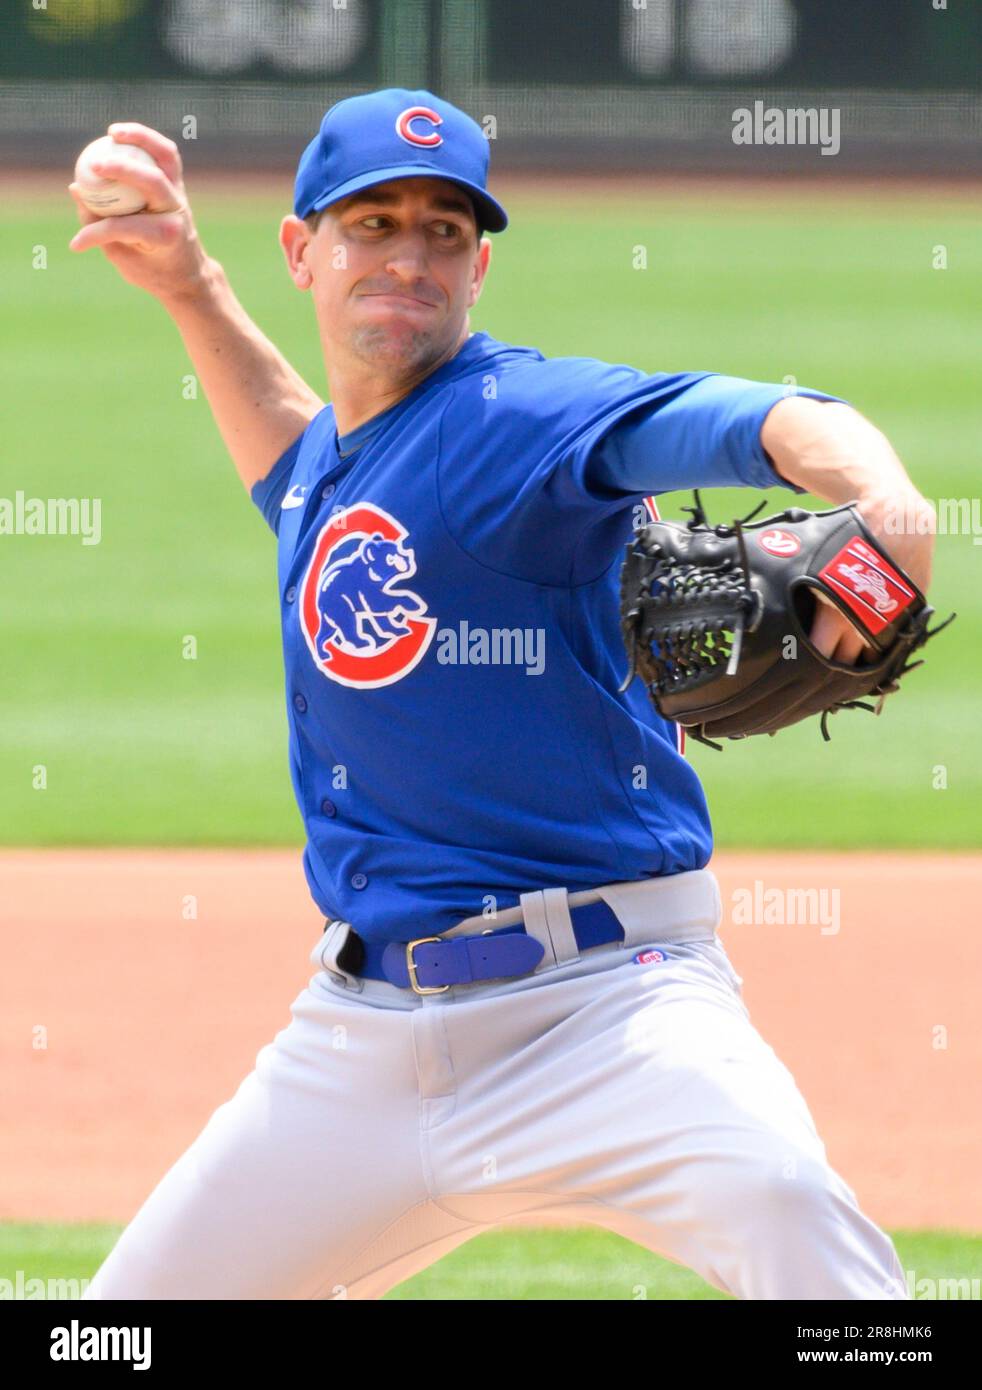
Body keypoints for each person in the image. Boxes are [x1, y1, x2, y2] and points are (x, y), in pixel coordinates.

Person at [73, 88, 929, 1301]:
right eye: (374, 224)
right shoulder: (343, 459)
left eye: (444, 231)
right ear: (300, 249)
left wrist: (886, 511)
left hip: (613, 1015)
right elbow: (292, 466)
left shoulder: (519, 417)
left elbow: (783, 423)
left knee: (794, 1221)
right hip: (361, 1044)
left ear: (479, 268)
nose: (410, 256)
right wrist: (186, 281)